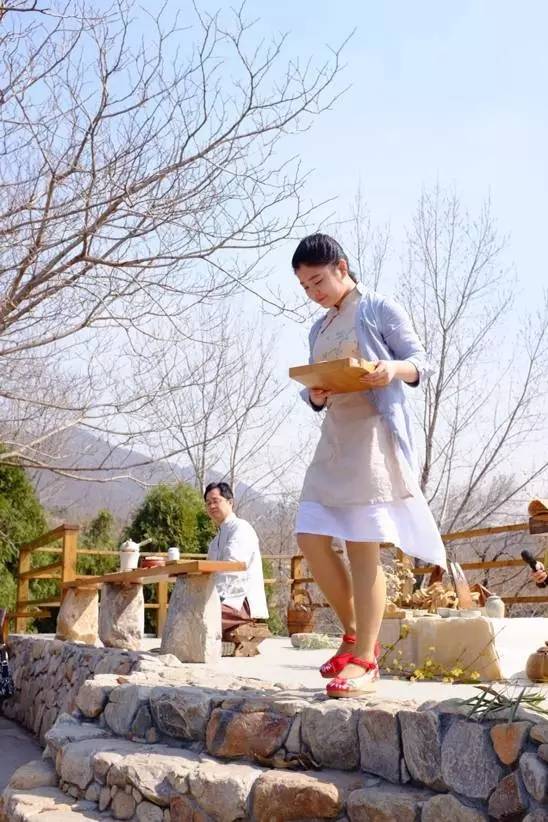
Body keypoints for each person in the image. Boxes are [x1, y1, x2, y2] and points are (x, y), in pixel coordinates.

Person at [293, 233, 447, 698]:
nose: (313, 293)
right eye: (305, 286)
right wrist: (315, 394)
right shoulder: (318, 329)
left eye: (318, 281)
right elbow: (317, 387)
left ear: (341, 267)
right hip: (334, 437)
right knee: (309, 533)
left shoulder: (378, 308)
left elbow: (421, 363)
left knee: (363, 544)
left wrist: (390, 370)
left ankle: (365, 659)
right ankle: (353, 632)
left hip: (373, 434)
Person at [204, 482, 269, 635]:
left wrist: (213, 599)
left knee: (200, 616)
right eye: (208, 503)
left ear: (230, 502)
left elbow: (233, 568)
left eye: (216, 501)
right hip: (222, 598)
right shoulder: (215, 541)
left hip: (241, 601)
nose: (211, 506)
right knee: (186, 611)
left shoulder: (241, 528)